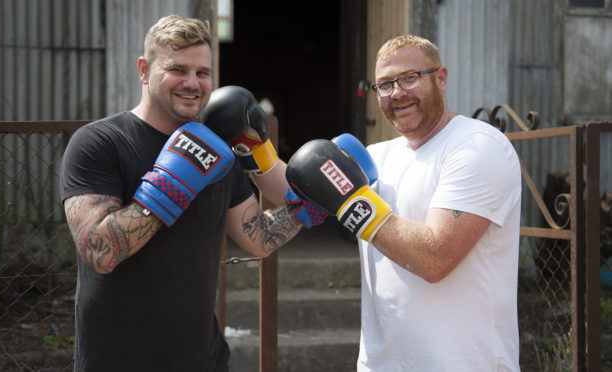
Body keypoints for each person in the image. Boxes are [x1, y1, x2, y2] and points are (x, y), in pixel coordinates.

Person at [59, 15, 324, 371]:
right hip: (117, 360)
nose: (192, 83)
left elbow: (257, 236)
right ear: (144, 69)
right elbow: (99, 251)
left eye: (202, 72)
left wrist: (306, 209)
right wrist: (168, 187)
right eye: (178, 69)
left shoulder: (218, 150)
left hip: (202, 359)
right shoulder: (100, 143)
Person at [286, 34, 521, 371]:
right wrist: (255, 149)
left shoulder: (478, 147)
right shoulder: (377, 157)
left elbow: (435, 258)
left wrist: (350, 200)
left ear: (440, 78)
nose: (397, 92)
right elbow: (295, 194)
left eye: (410, 77)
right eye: (384, 84)